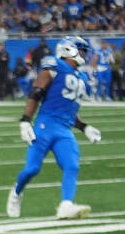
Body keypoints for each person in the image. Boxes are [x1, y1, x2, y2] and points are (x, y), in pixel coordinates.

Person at [7, 36, 102, 220]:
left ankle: (66, 205)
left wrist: (84, 127)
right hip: (45, 125)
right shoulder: (55, 64)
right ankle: (16, 193)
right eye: (80, 49)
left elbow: (67, 108)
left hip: (64, 129)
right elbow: (37, 91)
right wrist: (26, 120)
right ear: (68, 50)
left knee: (72, 165)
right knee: (32, 169)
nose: (83, 53)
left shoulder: (80, 76)